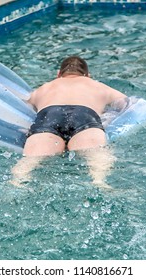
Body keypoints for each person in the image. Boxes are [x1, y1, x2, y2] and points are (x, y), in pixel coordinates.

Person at [11, 56, 127, 188]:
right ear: (88, 76)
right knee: (96, 156)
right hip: (85, 115)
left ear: (58, 75)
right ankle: (99, 181)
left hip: (49, 115)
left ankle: (17, 182)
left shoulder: (44, 88)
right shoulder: (98, 86)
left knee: (30, 161)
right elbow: (126, 105)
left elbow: (22, 108)